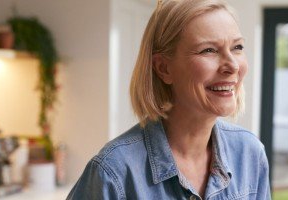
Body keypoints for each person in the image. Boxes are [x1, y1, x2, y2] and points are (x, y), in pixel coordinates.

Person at [67, 0, 271, 199]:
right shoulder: (113, 172)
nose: (233, 66)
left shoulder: (250, 154)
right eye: (209, 50)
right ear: (163, 68)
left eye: (237, 47)